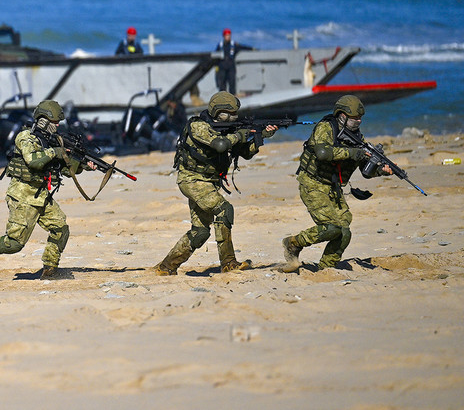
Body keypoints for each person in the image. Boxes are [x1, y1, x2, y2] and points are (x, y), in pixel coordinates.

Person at [0, 100, 98, 281]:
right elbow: (33, 161)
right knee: (15, 243)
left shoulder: (52, 141)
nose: (58, 126)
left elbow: (66, 170)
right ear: (44, 120)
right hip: (22, 195)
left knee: (60, 228)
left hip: (41, 194)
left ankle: (50, 270)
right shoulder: (25, 137)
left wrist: (84, 166)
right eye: (55, 122)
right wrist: (56, 152)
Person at [153, 91, 278, 275]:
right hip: (192, 180)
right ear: (219, 112)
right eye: (230, 113)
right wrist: (240, 135)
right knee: (224, 209)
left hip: (209, 182)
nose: (234, 117)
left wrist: (262, 136)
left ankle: (166, 267)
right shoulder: (199, 126)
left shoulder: (228, 131)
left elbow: (246, 152)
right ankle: (228, 263)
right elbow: (220, 145)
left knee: (200, 232)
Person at [281, 95, 392, 272]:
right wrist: (354, 153)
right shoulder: (326, 128)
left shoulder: (356, 137)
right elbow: (323, 153)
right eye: (355, 117)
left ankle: (327, 267)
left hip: (333, 188)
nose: (358, 121)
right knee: (331, 228)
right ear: (342, 115)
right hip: (312, 183)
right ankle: (293, 243)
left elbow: (365, 171)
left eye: (360, 118)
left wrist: (380, 170)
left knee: (344, 232)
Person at [215, 28, 253, 94]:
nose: (228, 37)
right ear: (224, 36)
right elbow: (215, 55)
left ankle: (232, 98)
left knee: (232, 83)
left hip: (231, 66)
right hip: (222, 66)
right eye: (226, 35)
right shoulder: (220, 45)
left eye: (229, 35)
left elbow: (243, 47)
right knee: (222, 84)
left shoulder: (234, 45)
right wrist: (216, 67)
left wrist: (252, 49)